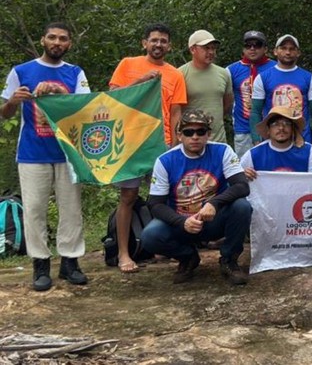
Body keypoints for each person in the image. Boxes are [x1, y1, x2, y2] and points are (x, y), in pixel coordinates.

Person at [1, 22, 90, 291]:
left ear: (69, 44)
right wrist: (14, 102)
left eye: (63, 38)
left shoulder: (75, 73)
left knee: (71, 209)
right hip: (32, 152)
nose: (57, 42)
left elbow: (85, 110)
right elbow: (4, 113)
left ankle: (70, 262)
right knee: (35, 209)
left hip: (68, 152)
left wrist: (61, 94)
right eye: (52, 37)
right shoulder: (21, 71)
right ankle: (40, 264)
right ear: (43, 40)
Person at [109, 22, 188, 274]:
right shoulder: (128, 65)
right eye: (154, 40)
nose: (158, 44)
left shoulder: (175, 74)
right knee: (128, 197)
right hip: (130, 141)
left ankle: (168, 247)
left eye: (163, 41)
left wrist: (175, 146)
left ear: (170, 46)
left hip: (161, 142)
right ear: (144, 43)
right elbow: (113, 99)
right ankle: (124, 253)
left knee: (165, 197)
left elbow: (176, 112)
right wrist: (143, 80)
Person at [142, 109, 252, 285]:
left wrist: (215, 203)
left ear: (208, 134)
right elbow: (155, 204)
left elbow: (242, 186)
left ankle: (229, 260)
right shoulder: (165, 161)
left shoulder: (223, 151)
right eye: (188, 132)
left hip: (214, 218)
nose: (195, 136)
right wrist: (180, 221)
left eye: (200, 132)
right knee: (149, 235)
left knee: (242, 207)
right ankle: (187, 257)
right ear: (179, 135)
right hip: (181, 223)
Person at [250, 35, 312, 154]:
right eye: (283, 48)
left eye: (292, 49)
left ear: (298, 53)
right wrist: (256, 141)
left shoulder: (309, 78)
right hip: (272, 140)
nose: (288, 52)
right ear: (275, 51)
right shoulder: (263, 78)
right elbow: (255, 112)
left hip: (303, 140)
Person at [179, 30, 233, 145]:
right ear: (193, 49)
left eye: (213, 48)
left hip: (219, 140)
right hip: (191, 141)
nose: (211, 52)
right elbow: (175, 109)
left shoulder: (223, 74)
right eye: (206, 48)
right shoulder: (180, 74)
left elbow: (227, 103)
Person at [227, 31, 274, 157]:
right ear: (243, 48)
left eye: (257, 45)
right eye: (248, 45)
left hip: (271, 128)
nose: (252, 48)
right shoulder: (231, 70)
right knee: (245, 170)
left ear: (265, 48)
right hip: (243, 129)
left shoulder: (275, 68)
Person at [240, 106, 312, 177]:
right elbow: (236, 179)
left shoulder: (308, 151)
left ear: (293, 128)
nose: (281, 128)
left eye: (286, 123)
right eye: (275, 124)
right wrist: (244, 175)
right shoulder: (254, 154)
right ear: (268, 130)